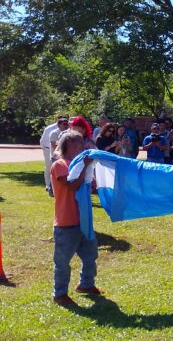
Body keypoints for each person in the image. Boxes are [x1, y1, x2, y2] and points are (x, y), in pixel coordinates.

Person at [50, 129, 101, 306]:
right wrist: (86, 167)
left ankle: (86, 284)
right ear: (70, 144)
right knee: (63, 261)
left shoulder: (78, 163)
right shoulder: (60, 165)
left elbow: (86, 187)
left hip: (83, 220)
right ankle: (60, 293)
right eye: (80, 142)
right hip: (66, 222)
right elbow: (72, 186)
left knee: (91, 255)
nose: (84, 145)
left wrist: (92, 182)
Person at [40, 116, 69, 196]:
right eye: (64, 124)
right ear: (59, 125)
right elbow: (54, 146)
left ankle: (60, 190)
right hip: (55, 157)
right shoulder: (54, 133)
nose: (66, 126)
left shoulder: (67, 133)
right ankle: (50, 189)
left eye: (67, 124)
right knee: (54, 174)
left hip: (64, 156)